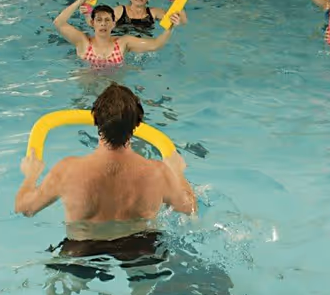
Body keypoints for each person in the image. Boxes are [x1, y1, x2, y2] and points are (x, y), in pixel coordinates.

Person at [14, 83, 196, 269]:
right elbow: (188, 208)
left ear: (96, 120)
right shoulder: (158, 172)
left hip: (82, 248)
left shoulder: (67, 170)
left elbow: (26, 208)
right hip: (141, 246)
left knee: (64, 282)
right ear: (137, 124)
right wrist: (177, 172)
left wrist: (31, 175)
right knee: (145, 284)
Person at [54, 0, 180, 68]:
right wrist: (79, 1)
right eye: (99, 20)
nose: (103, 24)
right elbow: (59, 23)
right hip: (87, 91)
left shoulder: (123, 43)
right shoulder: (83, 42)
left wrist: (170, 27)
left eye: (107, 20)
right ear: (92, 23)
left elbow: (155, 45)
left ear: (113, 24)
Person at [90, 0, 188, 34]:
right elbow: (97, 22)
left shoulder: (154, 12)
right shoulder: (119, 11)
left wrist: (178, 1)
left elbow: (182, 21)